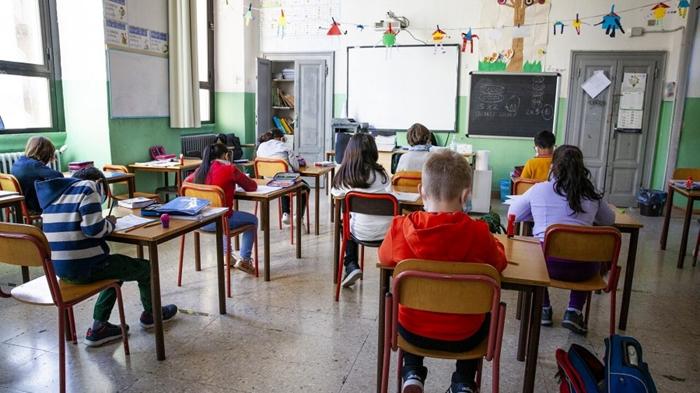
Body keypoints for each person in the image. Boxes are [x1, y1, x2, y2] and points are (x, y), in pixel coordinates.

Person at [379, 149, 507, 393]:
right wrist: (497, 242)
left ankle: (412, 371)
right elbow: (499, 263)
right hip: (466, 336)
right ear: (466, 195)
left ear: (421, 192)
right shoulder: (479, 234)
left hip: (411, 332)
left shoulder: (400, 228)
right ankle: (464, 381)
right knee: (488, 306)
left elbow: (384, 257)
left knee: (409, 302)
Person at [36, 167, 178, 346]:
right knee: (145, 268)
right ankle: (152, 314)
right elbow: (94, 230)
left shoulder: (55, 195)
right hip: (87, 267)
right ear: (100, 184)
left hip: (60, 270)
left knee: (115, 270)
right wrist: (109, 223)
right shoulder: (88, 188)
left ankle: (99, 327)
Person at [508, 145, 615, 335]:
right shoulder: (591, 194)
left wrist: (538, 213)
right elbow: (609, 221)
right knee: (586, 249)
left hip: (544, 267)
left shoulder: (539, 189)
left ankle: (543, 308)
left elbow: (513, 214)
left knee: (535, 249)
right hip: (585, 270)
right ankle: (574, 311)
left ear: (553, 167)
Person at [185, 143, 259, 274]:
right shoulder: (230, 169)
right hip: (220, 222)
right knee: (252, 220)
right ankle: (245, 260)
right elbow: (252, 187)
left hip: (199, 221)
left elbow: (185, 184)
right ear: (226, 155)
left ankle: (228, 257)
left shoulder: (198, 172)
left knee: (223, 215)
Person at [332, 133, 392, 288]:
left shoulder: (345, 176)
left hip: (359, 232)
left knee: (344, 222)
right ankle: (391, 268)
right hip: (388, 233)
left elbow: (336, 194)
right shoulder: (382, 174)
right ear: (374, 151)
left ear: (349, 151)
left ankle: (351, 264)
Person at [255, 128, 308, 225]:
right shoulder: (284, 146)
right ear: (281, 138)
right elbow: (296, 167)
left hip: (267, 181)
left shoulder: (261, 146)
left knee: (283, 181)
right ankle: (299, 216)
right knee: (304, 186)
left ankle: (285, 213)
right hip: (283, 181)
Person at [11, 136, 63, 214]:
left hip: (20, 205)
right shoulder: (34, 165)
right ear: (45, 153)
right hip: (33, 207)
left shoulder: (18, 162)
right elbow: (59, 176)